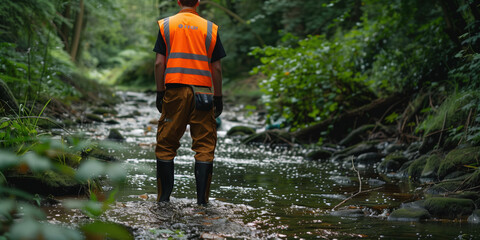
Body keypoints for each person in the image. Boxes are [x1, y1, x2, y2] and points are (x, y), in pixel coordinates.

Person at [153, 0, 226, 205]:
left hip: (174, 92)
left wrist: (160, 93)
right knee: (204, 145)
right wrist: (218, 97)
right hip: (203, 94)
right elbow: (217, 68)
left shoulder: (167, 25)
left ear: (178, 1)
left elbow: (159, 63)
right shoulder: (210, 28)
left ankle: (164, 200)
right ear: (198, 2)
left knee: (166, 144)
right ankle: (202, 203)